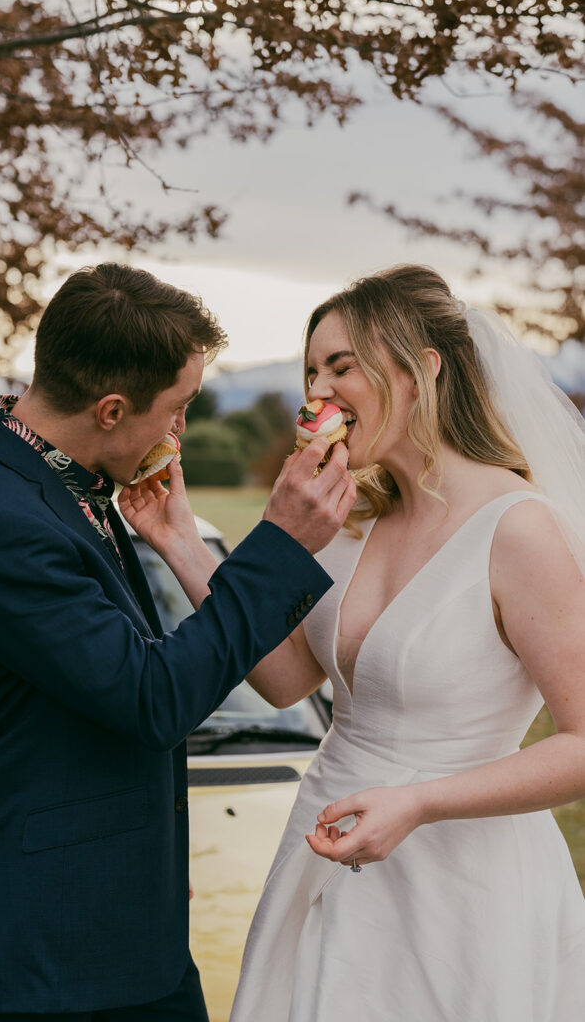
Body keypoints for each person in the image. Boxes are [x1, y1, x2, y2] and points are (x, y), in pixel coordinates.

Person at [0, 262, 357, 1022]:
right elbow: (152, 697)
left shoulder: (56, 481)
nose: (180, 428)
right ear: (112, 409)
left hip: (115, 923)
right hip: (48, 956)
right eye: (178, 408)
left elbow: (89, 692)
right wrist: (278, 542)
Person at [222, 264, 585, 1020]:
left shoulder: (516, 528)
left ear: (420, 369)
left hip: (462, 886)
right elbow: (285, 680)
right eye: (309, 371)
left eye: (340, 367)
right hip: (320, 850)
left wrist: (417, 803)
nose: (315, 393)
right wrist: (178, 542)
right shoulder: (349, 519)